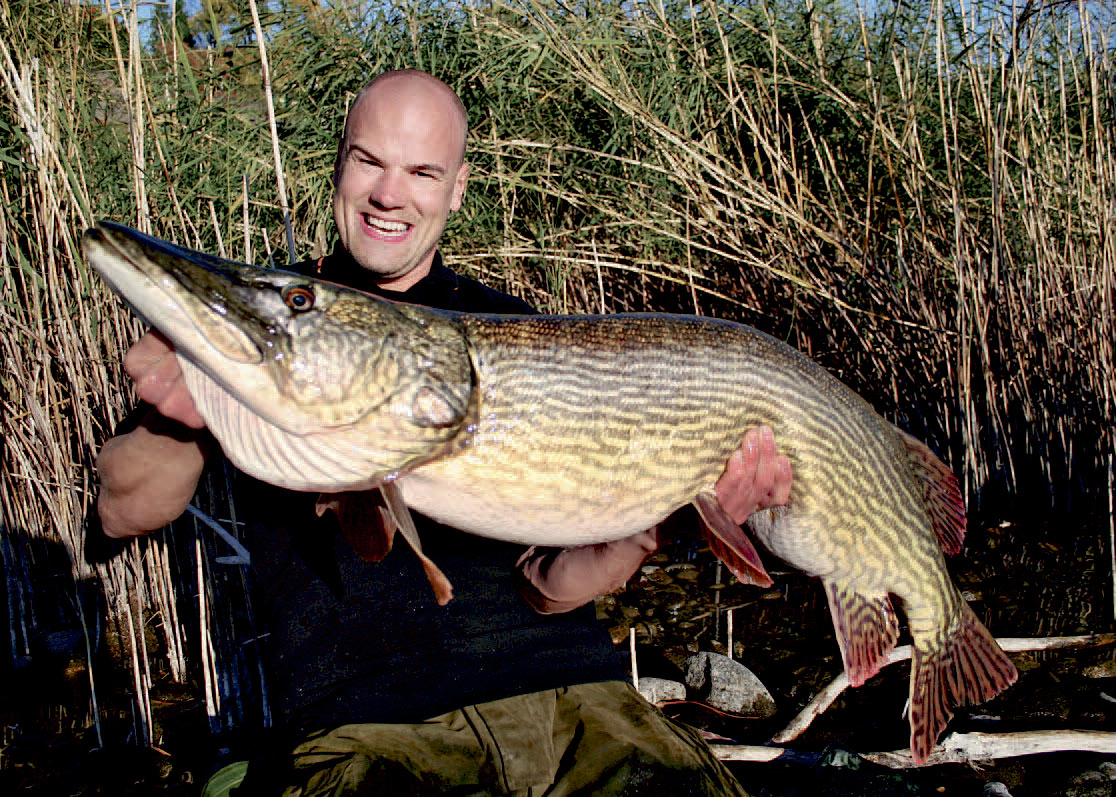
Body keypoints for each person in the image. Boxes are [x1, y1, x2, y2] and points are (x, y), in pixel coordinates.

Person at [95, 69, 792, 795]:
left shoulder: (516, 330)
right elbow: (122, 510)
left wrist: (653, 527)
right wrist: (179, 414)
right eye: (369, 161)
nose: (389, 194)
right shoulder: (280, 322)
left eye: (421, 172)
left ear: (456, 188)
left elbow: (551, 590)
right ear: (338, 167)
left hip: (576, 703)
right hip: (372, 728)